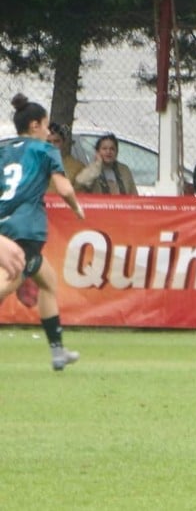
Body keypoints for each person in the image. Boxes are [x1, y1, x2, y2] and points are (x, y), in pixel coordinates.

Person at [0, 93, 85, 370]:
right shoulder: (45, 149)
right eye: (47, 126)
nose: (49, 132)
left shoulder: (3, 149)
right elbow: (64, 188)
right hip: (26, 231)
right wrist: (76, 207)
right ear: (35, 125)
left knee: (48, 282)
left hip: (3, 231)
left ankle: (58, 352)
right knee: (3, 287)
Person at [46, 122, 86, 191]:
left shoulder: (77, 167)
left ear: (63, 142)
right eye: (48, 142)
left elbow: (80, 197)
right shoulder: (34, 164)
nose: (52, 146)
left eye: (56, 141)